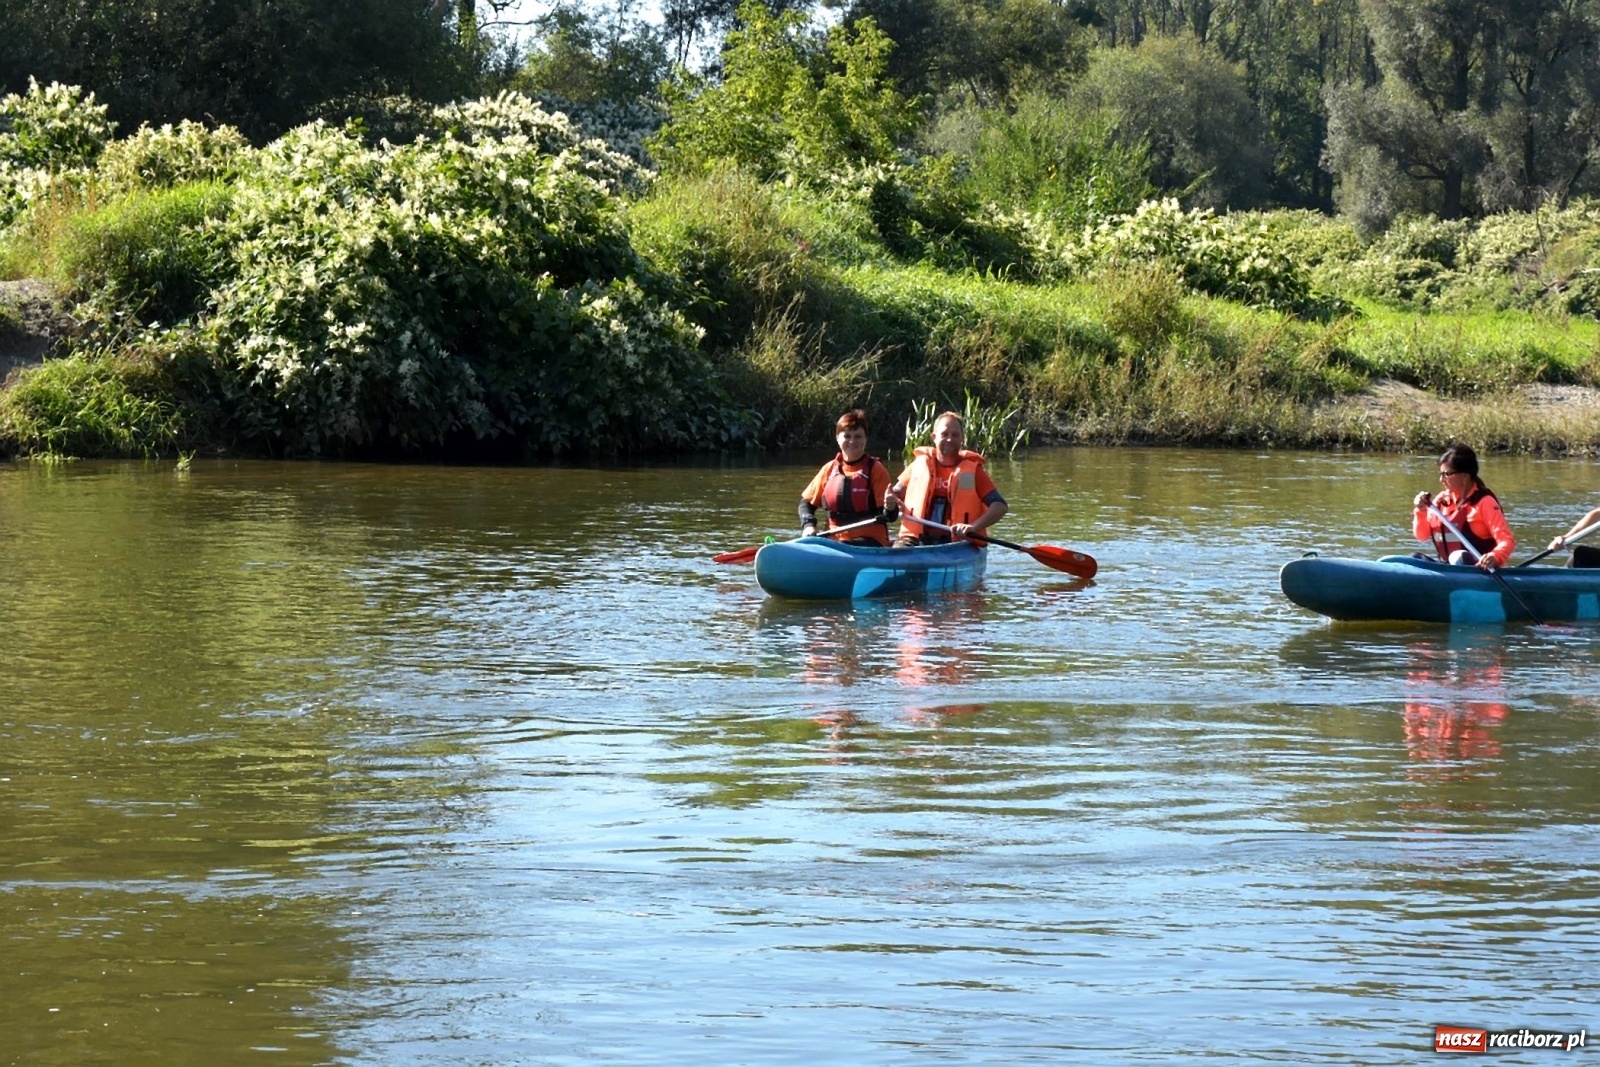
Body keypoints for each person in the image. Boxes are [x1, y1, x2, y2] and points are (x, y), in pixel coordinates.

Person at [885, 411, 1008, 547]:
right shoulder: (918, 466)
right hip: (914, 540)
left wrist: (972, 527)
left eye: (955, 435)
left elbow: (1000, 506)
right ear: (934, 437)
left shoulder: (973, 472)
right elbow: (894, 494)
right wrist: (890, 502)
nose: (949, 439)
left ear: (962, 439)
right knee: (898, 552)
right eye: (944, 434)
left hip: (958, 541)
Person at [798, 408, 895, 547]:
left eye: (858, 436)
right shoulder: (829, 469)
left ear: (866, 439)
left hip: (871, 540)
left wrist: (890, 507)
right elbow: (805, 504)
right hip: (833, 539)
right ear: (838, 439)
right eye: (847, 436)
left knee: (851, 545)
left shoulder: (876, 470)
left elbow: (890, 517)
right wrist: (809, 525)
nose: (852, 441)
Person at [1412, 443, 1515, 571]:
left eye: (1446, 474)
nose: (1441, 479)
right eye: (1441, 474)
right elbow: (1422, 536)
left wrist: (1495, 556)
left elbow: (1507, 541)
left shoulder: (1485, 502)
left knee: (1458, 557)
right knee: (1414, 558)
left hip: (1480, 571)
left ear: (1465, 476)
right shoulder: (1441, 501)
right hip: (1448, 569)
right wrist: (1421, 511)